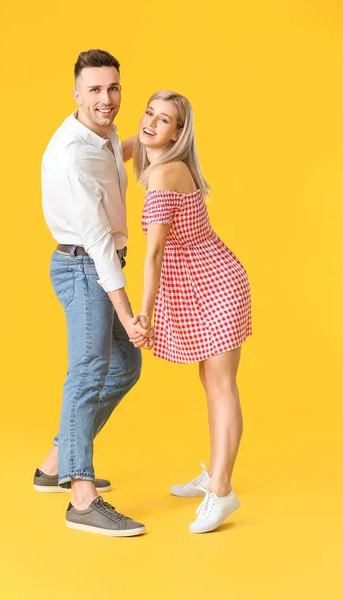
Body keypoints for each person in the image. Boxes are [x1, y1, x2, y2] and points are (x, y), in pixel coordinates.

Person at [35, 49, 153, 537]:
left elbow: (111, 157)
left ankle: (55, 464)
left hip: (96, 264)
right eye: (96, 90)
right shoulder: (71, 157)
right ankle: (81, 498)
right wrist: (128, 317)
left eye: (114, 88)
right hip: (86, 267)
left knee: (125, 367)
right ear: (76, 94)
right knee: (87, 375)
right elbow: (101, 244)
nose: (107, 99)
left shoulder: (99, 134)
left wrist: (149, 141)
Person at [132, 91, 252, 533]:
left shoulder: (165, 174)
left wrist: (143, 316)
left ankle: (222, 490)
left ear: (178, 132)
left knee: (221, 384)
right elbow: (128, 143)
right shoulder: (162, 161)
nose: (150, 124)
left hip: (217, 285)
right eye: (148, 113)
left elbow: (155, 253)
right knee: (210, 380)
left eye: (163, 120)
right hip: (203, 285)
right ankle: (216, 471)